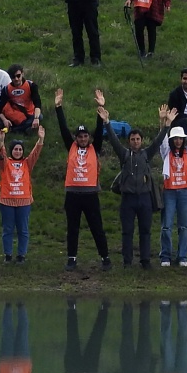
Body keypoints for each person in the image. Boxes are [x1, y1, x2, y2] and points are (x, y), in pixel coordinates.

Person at [53, 88, 111, 270]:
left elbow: (99, 131)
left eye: (86, 136)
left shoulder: (96, 147)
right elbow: (63, 128)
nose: (83, 139)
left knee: (97, 227)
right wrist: (58, 107)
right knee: (73, 228)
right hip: (73, 194)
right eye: (80, 136)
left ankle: (105, 258)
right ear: (76, 138)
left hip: (91, 194)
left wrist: (100, 108)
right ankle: (71, 258)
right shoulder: (71, 146)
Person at [105, 104, 168, 268]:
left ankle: (145, 260)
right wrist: (106, 123)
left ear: (141, 141)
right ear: (129, 141)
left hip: (145, 198)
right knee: (127, 231)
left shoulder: (147, 154)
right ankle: (127, 261)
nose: (135, 142)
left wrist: (166, 125)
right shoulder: (124, 154)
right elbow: (113, 140)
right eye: (132, 139)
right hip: (128, 199)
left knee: (145, 231)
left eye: (138, 139)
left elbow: (158, 141)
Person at [0, 119, 46, 263]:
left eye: (20, 149)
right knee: (8, 229)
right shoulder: (6, 164)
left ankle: (21, 255)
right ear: (11, 150)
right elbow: (1, 156)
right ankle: (8, 255)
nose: (18, 151)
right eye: (15, 149)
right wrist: (1, 142)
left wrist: (40, 139)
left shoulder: (27, 163)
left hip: (24, 201)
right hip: (7, 201)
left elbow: (35, 154)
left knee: (23, 230)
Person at [157, 118, 187, 268]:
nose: (178, 141)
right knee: (166, 225)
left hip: (185, 192)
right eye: (175, 139)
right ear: (172, 140)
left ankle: (182, 256)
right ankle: (165, 255)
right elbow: (162, 139)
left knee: (184, 226)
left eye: (180, 138)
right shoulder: (166, 152)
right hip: (169, 192)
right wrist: (163, 122)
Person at [0, 64, 42, 132]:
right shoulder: (6, 89)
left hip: (30, 113)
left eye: (18, 76)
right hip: (13, 115)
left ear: (22, 74)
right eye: (13, 77)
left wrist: (36, 118)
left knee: (39, 117)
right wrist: (5, 120)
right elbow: (0, 109)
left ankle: (15, 130)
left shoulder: (31, 85)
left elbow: (37, 103)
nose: (16, 79)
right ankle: (25, 128)